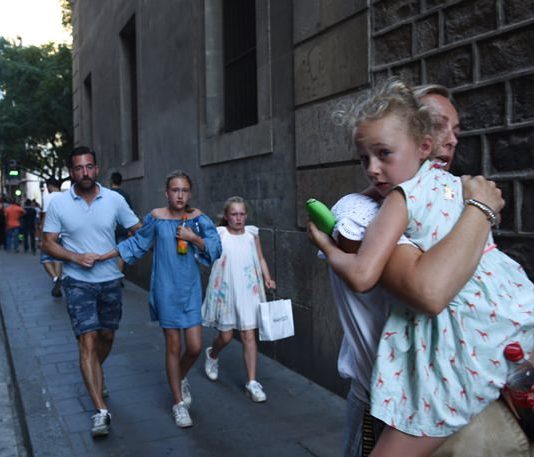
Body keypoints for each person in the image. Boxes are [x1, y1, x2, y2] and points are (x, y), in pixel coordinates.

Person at [310, 78, 534, 457]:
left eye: (455, 129)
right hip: (512, 317)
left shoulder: (411, 198)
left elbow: (363, 273)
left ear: (420, 146)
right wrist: (480, 209)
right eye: (365, 158)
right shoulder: (454, 193)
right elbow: (429, 291)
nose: (450, 139)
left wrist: (325, 246)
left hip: (462, 367)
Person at [100, 170, 221, 429]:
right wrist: (104, 256)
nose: (180, 195)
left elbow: (215, 248)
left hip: (190, 289)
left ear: (190, 193)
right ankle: (178, 404)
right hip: (165, 289)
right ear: (167, 193)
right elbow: (137, 244)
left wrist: (193, 238)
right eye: (175, 190)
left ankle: (180, 377)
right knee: (173, 346)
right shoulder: (156, 218)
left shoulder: (198, 219)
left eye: (184, 190)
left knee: (195, 347)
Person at [42, 146, 140, 438]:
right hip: (76, 281)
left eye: (88, 167)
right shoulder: (59, 203)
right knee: (88, 340)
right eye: (78, 168)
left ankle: (95, 373)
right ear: (71, 172)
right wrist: (74, 257)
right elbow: (48, 243)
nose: (84, 173)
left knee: (107, 336)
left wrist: (119, 252)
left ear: (96, 169)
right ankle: (100, 411)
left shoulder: (114, 200)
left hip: (110, 280)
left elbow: (138, 231)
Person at [202, 196, 276, 402]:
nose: (238, 218)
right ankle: (212, 354)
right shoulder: (220, 233)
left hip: (249, 289)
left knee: (248, 335)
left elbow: (260, 258)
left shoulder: (252, 234)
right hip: (227, 290)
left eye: (242, 214)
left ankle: (252, 382)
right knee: (225, 337)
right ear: (226, 216)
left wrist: (267, 277)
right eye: (234, 214)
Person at [40, 178, 64, 297]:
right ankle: (58, 278)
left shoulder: (48, 197)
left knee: (45, 258)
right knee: (57, 257)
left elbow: (45, 216)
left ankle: (55, 278)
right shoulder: (65, 197)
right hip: (62, 233)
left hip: (50, 232)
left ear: (50, 186)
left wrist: (41, 235)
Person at [109, 171, 134, 275]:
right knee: (121, 253)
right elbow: (130, 214)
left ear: (111, 181)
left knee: (108, 253)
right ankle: (118, 275)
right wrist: (130, 230)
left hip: (110, 228)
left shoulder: (107, 194)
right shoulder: (125, 195)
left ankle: (110, 275)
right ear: (121, 182)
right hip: (123, 229)